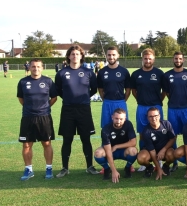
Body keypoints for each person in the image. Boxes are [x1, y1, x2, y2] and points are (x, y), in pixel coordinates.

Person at [54, 45, 98, 178]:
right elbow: (58, 91)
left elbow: (94, 89)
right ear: (68, 56)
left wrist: (82, 98)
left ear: (81, 56)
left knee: (86, 139)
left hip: (84, 109)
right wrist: (70, 98)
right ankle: (65, 168)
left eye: (77, 54)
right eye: (72, 54)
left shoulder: (88, 72)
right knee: (67, 140)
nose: (75, 56)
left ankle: (89, 166)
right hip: (67, 110)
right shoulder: (61, 73)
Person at [17, 59, 58, 180]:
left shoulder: (48, 81)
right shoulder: (23, 82)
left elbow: (54, 97)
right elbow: (21, 98)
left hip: (44, 117)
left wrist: (45, 107)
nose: (36, 69)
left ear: (42, 68)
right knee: (26, 145)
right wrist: (30, 108)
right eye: (33, 66)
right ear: (29, 68)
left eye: (38, 66)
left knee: (46, 143)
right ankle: (28, 169)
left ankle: (49, 168)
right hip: (28, 117)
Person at [130, 48, 165, 170]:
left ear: (153, 59)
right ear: (142, 59)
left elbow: (164, 91)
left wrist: (158, 101)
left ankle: (159, 160)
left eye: (150, 58)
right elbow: (134, 91)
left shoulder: (160, 74)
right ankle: (144, 157)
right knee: (142, 134)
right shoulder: (135, 74)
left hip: (156, 107)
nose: (147, 60)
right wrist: (140, 100)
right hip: (142, 107)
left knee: (160, 132)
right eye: (145, 58)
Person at [162, 51, 187, 172]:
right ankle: (174, 161)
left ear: (183, 60)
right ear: (173, 60)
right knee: (172, 135)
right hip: (173, 109)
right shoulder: (167, 75)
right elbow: (167, 93)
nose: (178, 60)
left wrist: (185, 100)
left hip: (186, 109)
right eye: (176, 58)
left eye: (180, 58)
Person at [93, 108, 138, 183]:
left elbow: (133, 142)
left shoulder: (128, 124)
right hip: (110, 151)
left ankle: (127, 168)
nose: (118, 121)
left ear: (125, 119)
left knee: (133, 151)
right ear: (112, 117)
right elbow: (108, 151)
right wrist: (114, 171)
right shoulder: (106, 129)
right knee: (98, 153)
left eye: (121, 119)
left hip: (123, 150)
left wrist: (116, 146)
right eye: (116, 118)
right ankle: (107, 169)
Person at [136, 107, 177, 180]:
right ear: (147, 118)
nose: (153, 118)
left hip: (165, 151)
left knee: (172, 154)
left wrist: (163, 150)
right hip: (151, 152)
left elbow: (172, 139)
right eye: (150, 116)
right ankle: (149, 167)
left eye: (155, 116)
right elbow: (152, 151)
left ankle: (166, 166)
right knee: (141, 158)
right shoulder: (146, 131)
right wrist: (158, 169)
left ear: (159, 116)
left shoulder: (166, 124)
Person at [97, 46, 131, 129]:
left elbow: (128, 90)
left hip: (120, 102)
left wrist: (123, 100)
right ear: (106, 56)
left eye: (113, 55)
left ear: (118, 55)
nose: (111, 57)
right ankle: (107, 142)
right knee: (106, 127)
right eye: (109, 55)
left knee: (123, 128)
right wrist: (105, 100)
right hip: (107, 103)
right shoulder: (102, 72)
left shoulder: (124, 71)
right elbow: (100, 90)